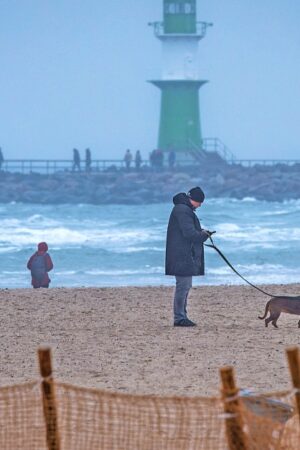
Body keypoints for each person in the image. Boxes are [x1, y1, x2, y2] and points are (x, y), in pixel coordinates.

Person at [165, 186, 214, 327]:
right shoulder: (183, 210)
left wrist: (202, 233)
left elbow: (189, 232)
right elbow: (190, 234)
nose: (200, 205)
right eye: (200, 202)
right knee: (183, 286)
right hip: (182, 255)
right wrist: (204, 234)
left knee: (185, 286)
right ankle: (179, 318)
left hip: (183, 254)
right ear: (194, 200)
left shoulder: (183, 209)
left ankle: (182, 316)